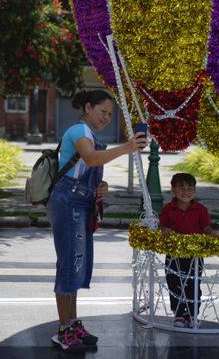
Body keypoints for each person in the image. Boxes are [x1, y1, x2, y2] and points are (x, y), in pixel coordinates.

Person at [47, 89, 148, 352]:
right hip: (67, 203)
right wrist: (127, 147)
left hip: (80, 203)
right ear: (88, 108)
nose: (106, 117)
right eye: (103, 112)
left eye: (110, 114)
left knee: (77, 265)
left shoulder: (90, 134)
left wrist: (101, 186)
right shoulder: (78, 131)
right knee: (69, 265)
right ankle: (62, 330)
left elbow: (88, 169)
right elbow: (90, 158)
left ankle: (71, 324)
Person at [159, 172, 219, 328]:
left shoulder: (200, 210)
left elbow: (206, 227)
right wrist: (164, 229)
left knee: (193, 284)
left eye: (190, 188)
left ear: (195, 191)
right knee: (174, 283)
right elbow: (162, 226)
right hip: (174, 254)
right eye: (181, 188)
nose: (186, 191)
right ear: (173, 190)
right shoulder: (168, 209)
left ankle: (192, 314)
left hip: (195, 254)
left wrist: (211, 232)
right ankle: (179, 314)